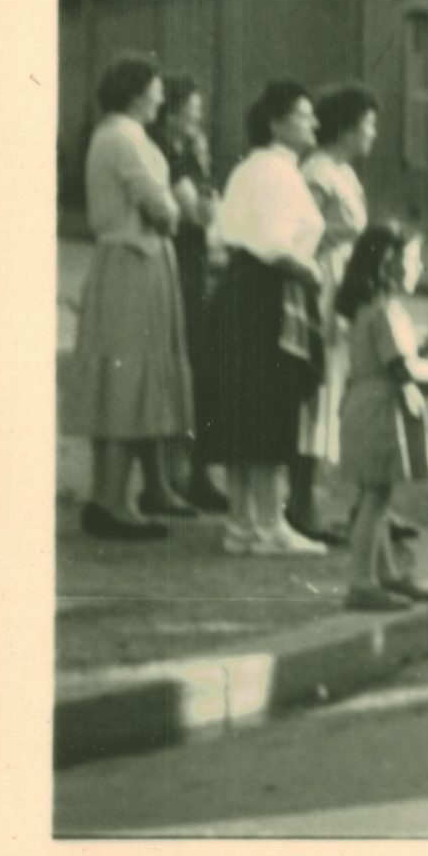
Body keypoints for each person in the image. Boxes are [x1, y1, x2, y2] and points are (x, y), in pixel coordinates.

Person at [60, 54, 196, 541]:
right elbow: (162, 207)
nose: (161, 95)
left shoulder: (114, 134)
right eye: (156, 88)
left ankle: (124, 494)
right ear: (137, 91)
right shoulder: (124, 137)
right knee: (128, 374)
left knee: (131, 375)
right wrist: (173, 214)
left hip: (129, 261)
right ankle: (112, 502)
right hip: (135, 261)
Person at [198, 81, 330, 557]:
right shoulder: (275, 172)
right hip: (266, 294)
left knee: (244, 407)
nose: (312, 123)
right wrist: (311, 271)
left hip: (241, 291)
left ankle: (243, 524)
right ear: (276, 121)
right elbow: (275, 245)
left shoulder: (253, 168)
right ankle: (269, 525)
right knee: (269, 404)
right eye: (303, 114)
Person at [332, 222, 428, 613]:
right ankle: (361, 582)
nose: (418, 267)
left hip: (365, 405)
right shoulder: (384, 311)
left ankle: (383, 574)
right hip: (378, 410)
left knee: (377, 494)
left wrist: (424, 347)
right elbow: (399, 369)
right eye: (412, 259)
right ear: (388, 265)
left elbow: (390, 355)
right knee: (375, 497)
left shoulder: (374, 308)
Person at [295, 85, 381, 547]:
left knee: (346, 390)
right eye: (367, 124)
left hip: (346, 282)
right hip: (325, 285)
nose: (373, 134)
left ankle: (364, 507)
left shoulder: (343, 172)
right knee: (321, 391)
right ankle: (301, 504)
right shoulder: (317, 172)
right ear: (347, 128)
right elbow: (303, 234)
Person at [146, 74, 225, 514]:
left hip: (193, 266)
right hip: (178, 266)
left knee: (198, 367)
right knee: (181, 367)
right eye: (190, 112)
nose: (196, 120)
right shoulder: (166, 153)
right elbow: (198, 213)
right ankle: (176, 476)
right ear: (172, 112)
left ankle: (194, 473)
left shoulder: (187, 153)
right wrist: (207, 204)